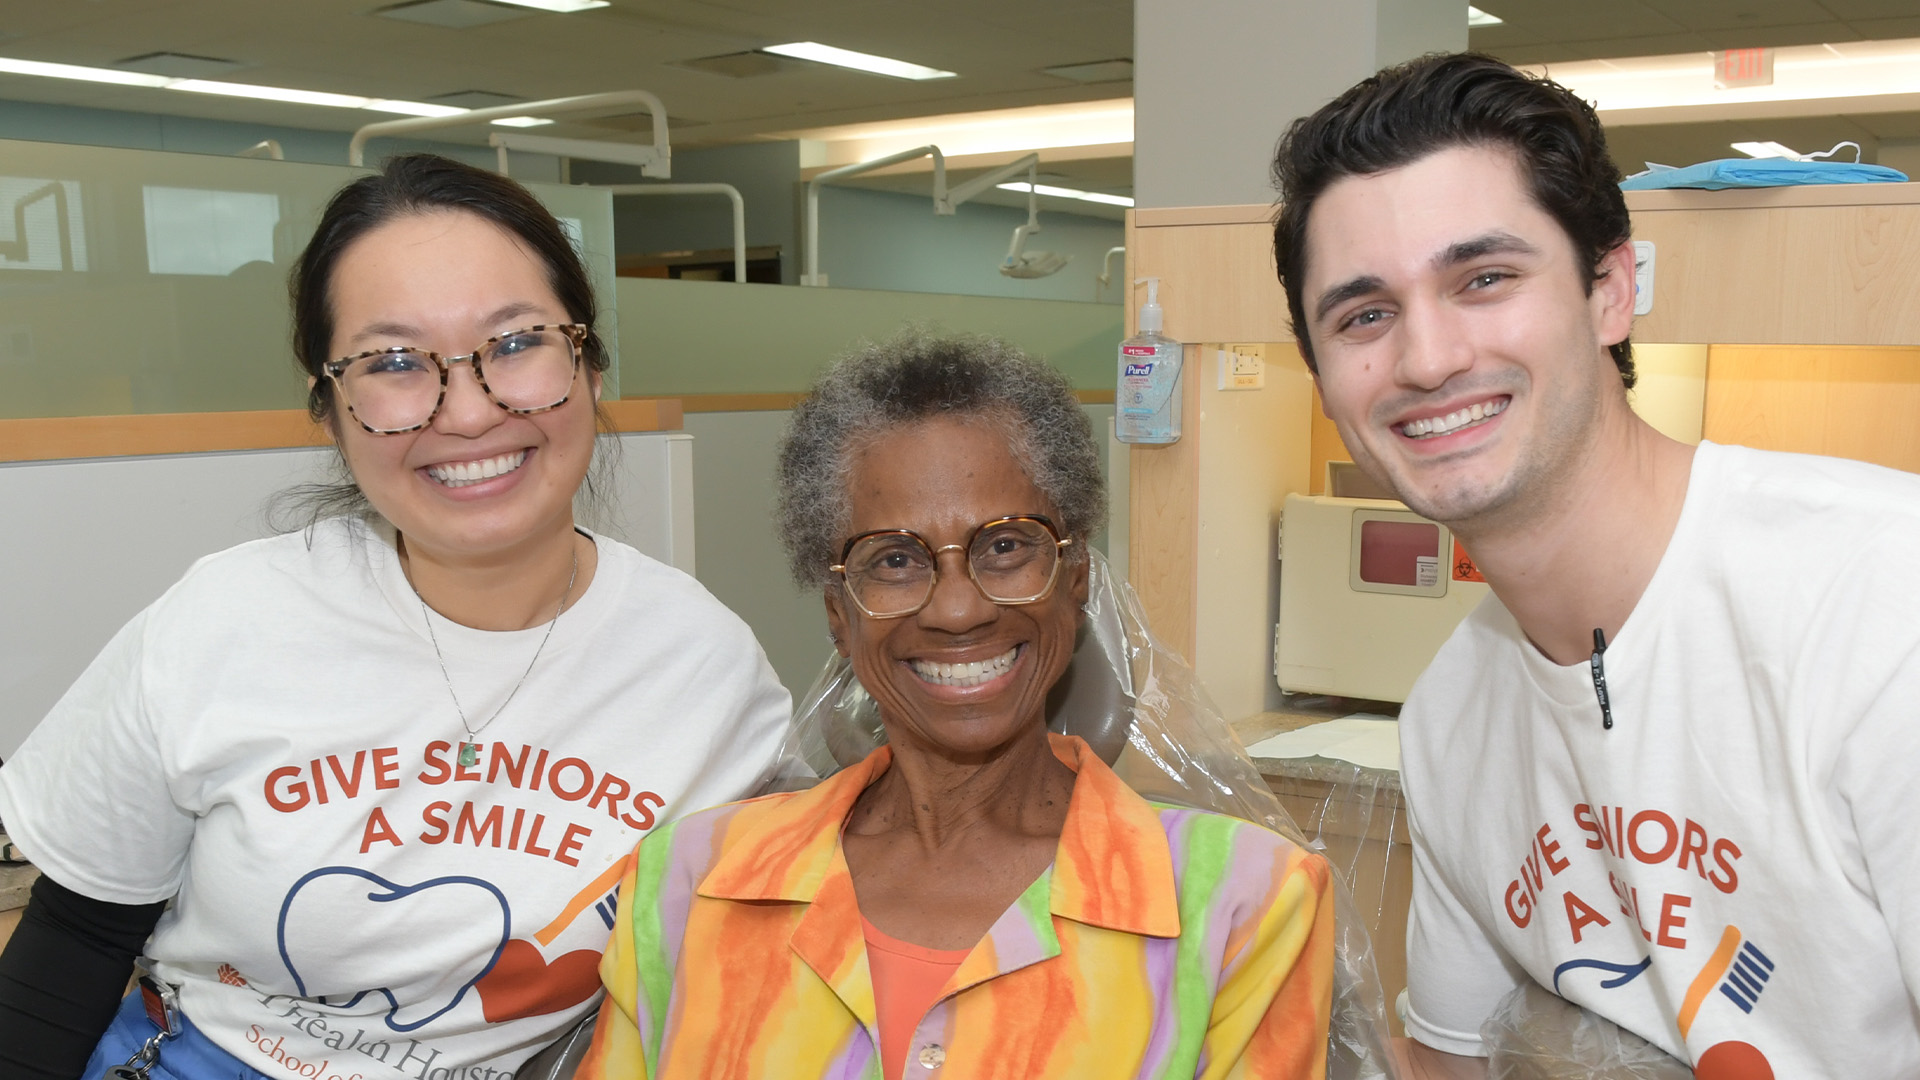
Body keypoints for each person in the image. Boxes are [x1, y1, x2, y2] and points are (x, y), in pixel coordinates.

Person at [0, 154, 790, 1079]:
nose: (466, 410)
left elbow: (783, 945)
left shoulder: (705, 667)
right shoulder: (223, 622)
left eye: (516, 341)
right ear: (331, 411)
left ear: (590, 364)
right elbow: (75, 944)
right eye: (396, 363)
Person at [1271, 52, 1920, 1078]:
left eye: (1483, 279)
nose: (1427, 359)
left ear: (1610, 292)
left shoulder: (1884, 604)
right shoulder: (1454, 720)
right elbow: (1456, 1065)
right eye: (1363, 314)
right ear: (1323, 380)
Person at [579, 334, 1336, 1079]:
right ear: (840, 615)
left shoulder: (1244, 904)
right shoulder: (691, 882)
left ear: (1074, 579)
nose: (957, 608)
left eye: (1006, 546)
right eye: (896, 561)